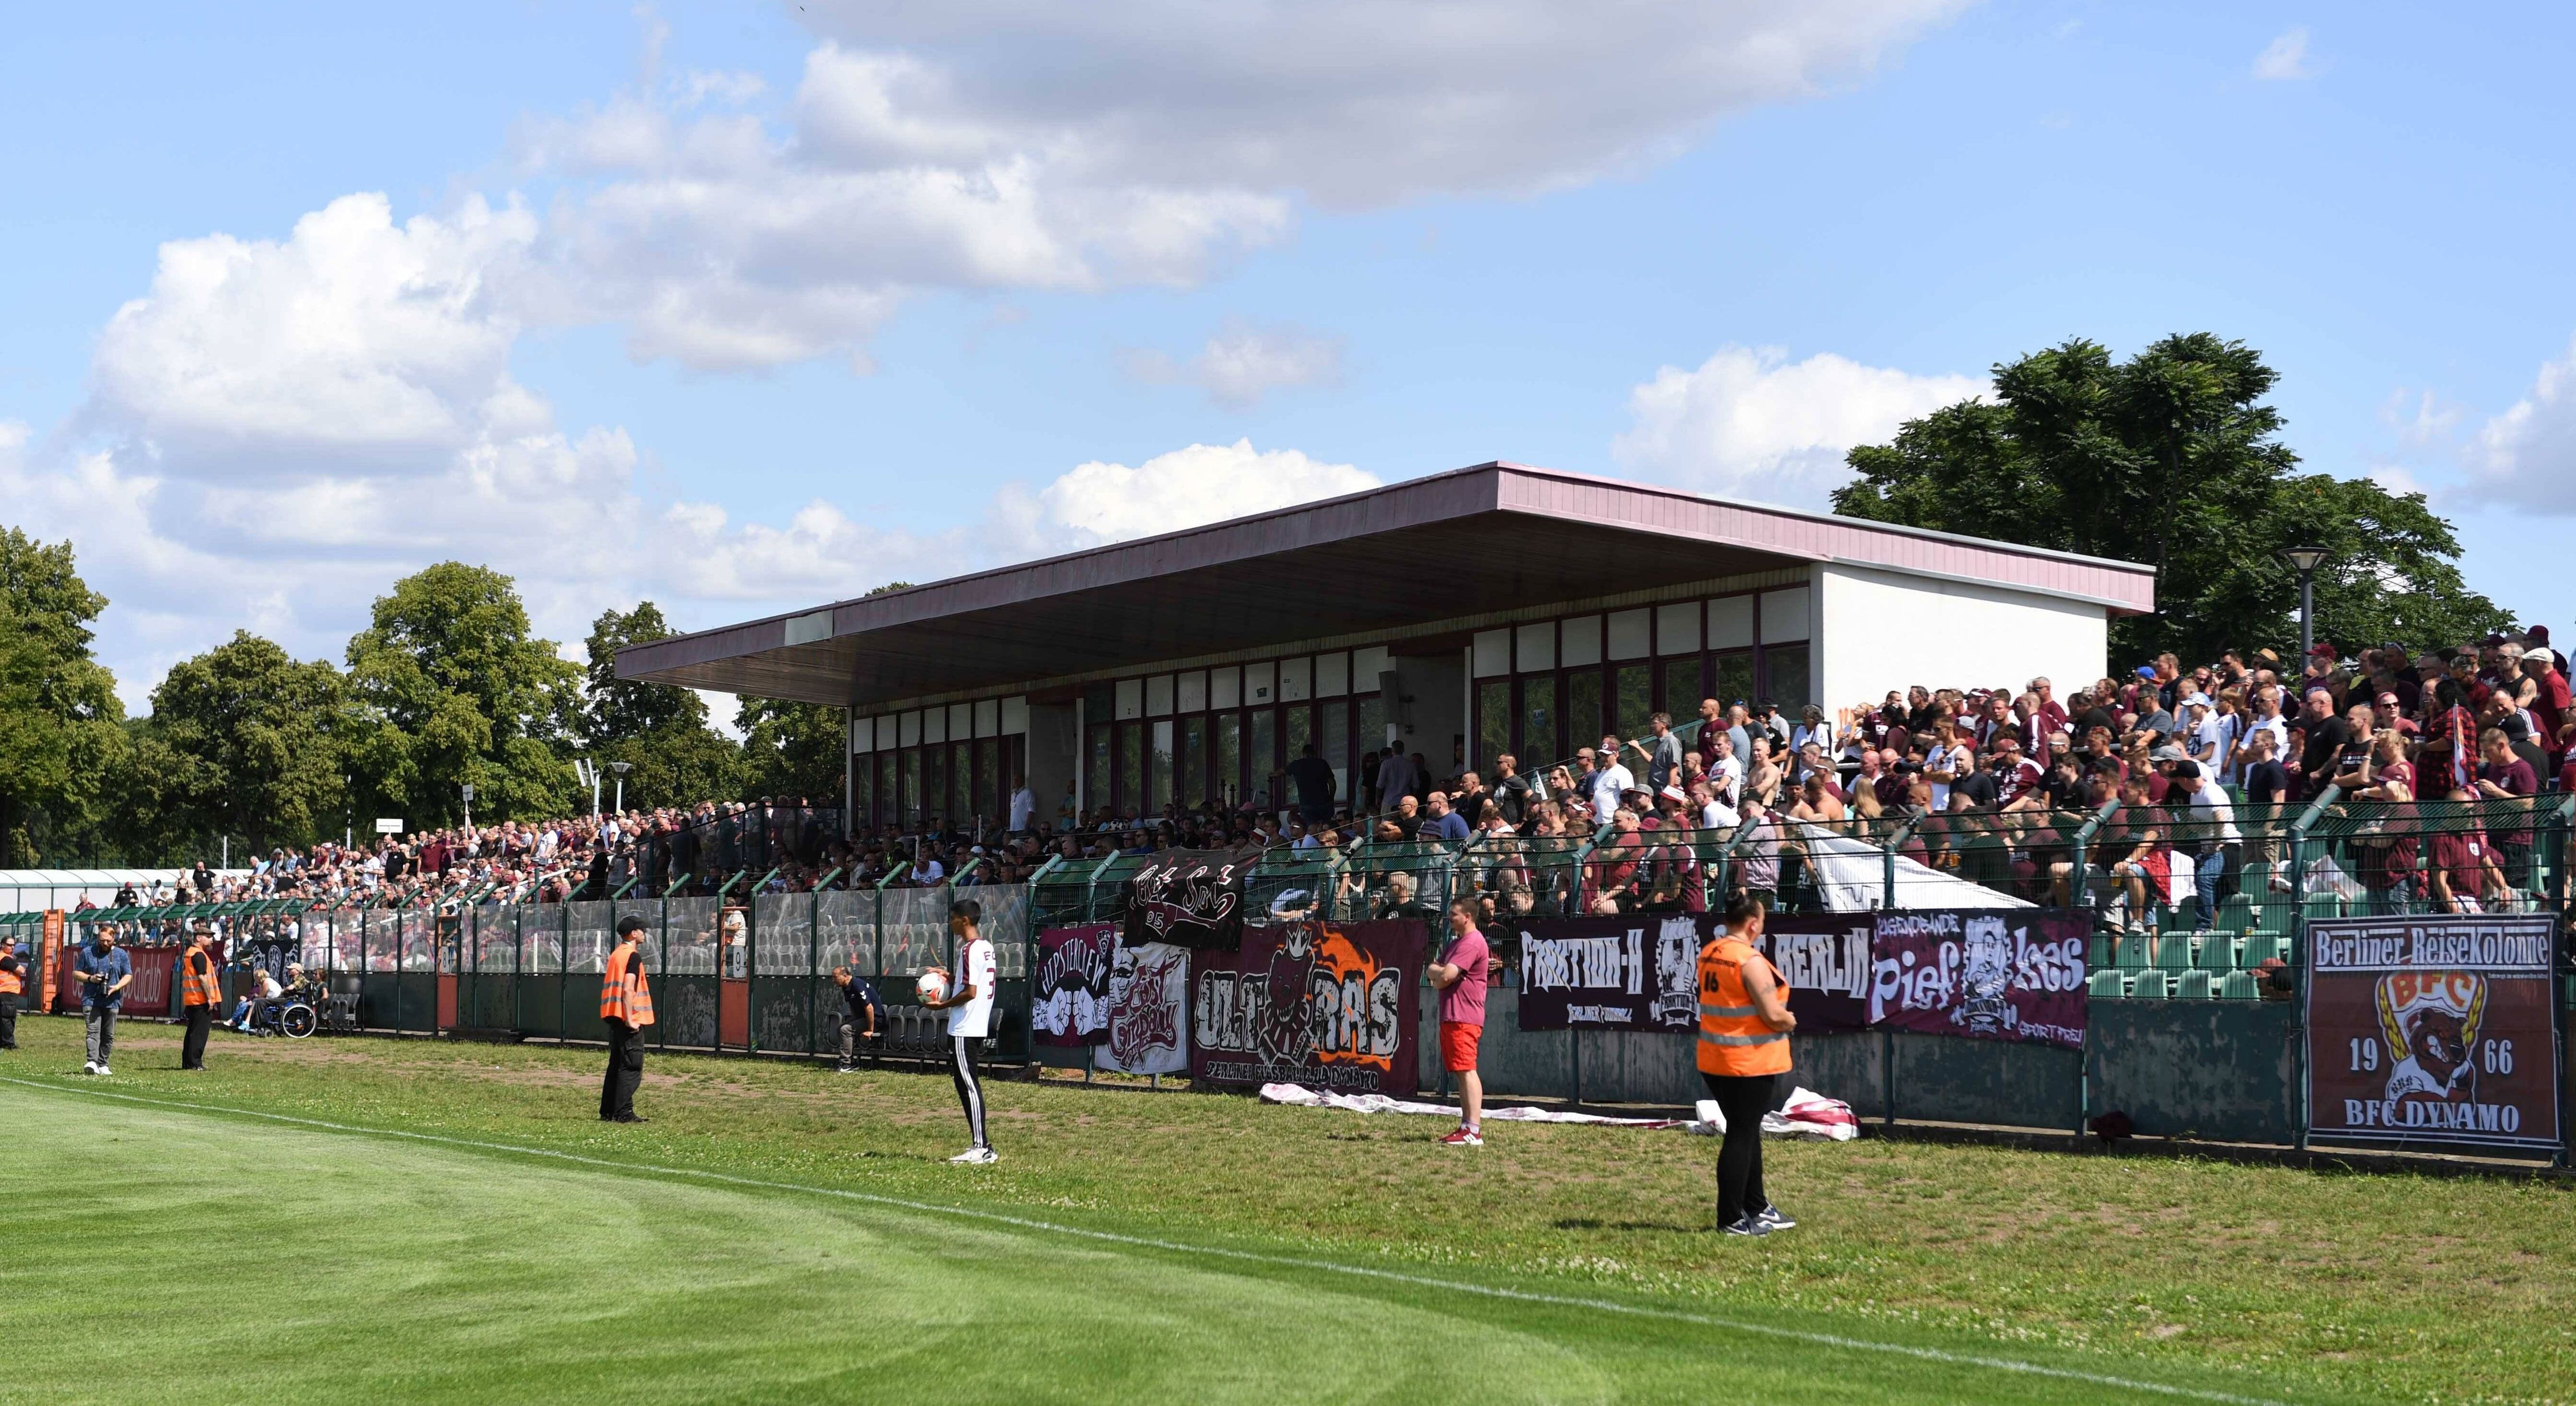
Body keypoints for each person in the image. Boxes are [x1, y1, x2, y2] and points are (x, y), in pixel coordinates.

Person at [1698, 893, 1795, 1236]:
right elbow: (1771, 1014)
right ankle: (1731, 1218)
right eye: (1763, 919)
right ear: (1753, 924)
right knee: (1741, 1135)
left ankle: (1757, 1205)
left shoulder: (1710, 951)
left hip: (1714, 1058)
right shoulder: (1749, 960)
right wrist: (1789, 1020)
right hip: (1747, 1062)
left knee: (1747, 1129)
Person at [922, 898, 999, 1164]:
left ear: (964, 920)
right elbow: (970, 983)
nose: (951, 923)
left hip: (965, 1026)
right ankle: (981, 1145)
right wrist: (948, 976)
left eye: (953, 919)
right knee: (966, 1083)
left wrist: (942, 1005)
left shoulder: (968, 950)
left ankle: (982, 1147)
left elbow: (970, 992)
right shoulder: (985, 947)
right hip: (977, 1023)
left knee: (969, 1085)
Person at [1425, 895, 1490, 1146]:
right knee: (1461, 1071)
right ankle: (1466, 1125)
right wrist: (1439, 975)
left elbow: (1446, 975)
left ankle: (1473, 1129)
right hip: (1452, 1015)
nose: (1449, 918)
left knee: (1467, 1070)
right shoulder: (1456, 943)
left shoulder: (1472, 942)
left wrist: (1440, 976)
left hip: (1464, 1016)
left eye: (1454, 914)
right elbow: (1433, 970)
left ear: (1468, 917)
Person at [599, 915, 656, 1124]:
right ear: (634, 933)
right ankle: (624, 1112)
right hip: (627, 1018)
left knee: (616, 1064)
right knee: (631, 1065)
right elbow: (628, 988)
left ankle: (608, 1111)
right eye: (642, 930)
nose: (644, 933)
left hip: (613, 1014)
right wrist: (631, 1018)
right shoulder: (632, 956)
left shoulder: (616, 954)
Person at [75, 925, 134, 1076]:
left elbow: (128, 975)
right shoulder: (88, 952)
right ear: (97, 938)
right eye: (102, 940)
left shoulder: (121, 954)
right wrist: (91, 979)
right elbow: (76, 973)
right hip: (91, 1000)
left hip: (112, 1000)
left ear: (114, 939)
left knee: (108, 1034)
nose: (105, 944)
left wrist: (117, 987)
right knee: (93, 1032)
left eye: (108, 941)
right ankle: (92, 1062)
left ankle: (103, 1063)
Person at [178, 925, 221, 1070]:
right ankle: (196, 1063)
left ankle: (188, 1063)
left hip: (192, 999)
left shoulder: (190, 953)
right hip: (201, 1000)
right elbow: (202, 978)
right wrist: (210, 998)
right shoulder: (199, 955)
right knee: (199, 1034)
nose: (212, 940)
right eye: (208, 937)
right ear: (199, 938)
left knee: (192, 1032)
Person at [833, 965, 884, 1072]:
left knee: (845, 1030)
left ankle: (846, 1064)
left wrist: (870, 1030)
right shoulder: (846, 987)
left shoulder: (857, 985)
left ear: (845, 976)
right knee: (840, 1028)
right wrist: (855, 1020)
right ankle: (852, 1062)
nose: (834, 980)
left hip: (876, 1020)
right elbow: (852, 1005)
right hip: (863, 1017)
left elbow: (869, 1008)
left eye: (836, 977)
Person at [0, 938, 22, 1051]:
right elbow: (21, 970)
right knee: (8, 1018)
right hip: (7, 991)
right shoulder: (5, 958)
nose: (12, 947)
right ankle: (8, 1044)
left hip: (5, 992)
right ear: (3, 945)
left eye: (14, 945)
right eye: (9, 945)